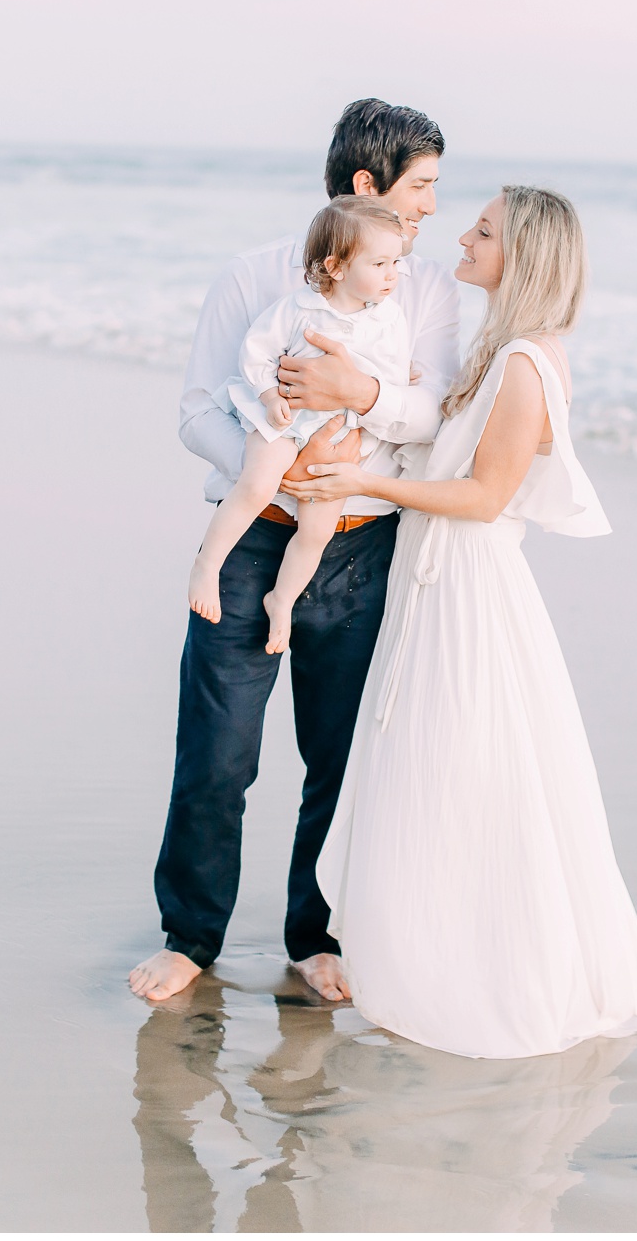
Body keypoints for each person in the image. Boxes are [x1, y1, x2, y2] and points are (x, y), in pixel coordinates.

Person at [283, 185, 637, 1058]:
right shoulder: (497, 348)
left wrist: (361, 485)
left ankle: (479, 968)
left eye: (483, 231)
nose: (462, 235)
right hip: (432, 576)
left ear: (521, 254)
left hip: (469, 589)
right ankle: (420, 945)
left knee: (468, 770)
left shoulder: (527, 361)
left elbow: (484, 498)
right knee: (430, 768)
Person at [129, 99, 460, 1005]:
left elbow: (433, 418)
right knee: (218, 752)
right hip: (256, 541)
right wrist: (281, 473)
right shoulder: (251, 278)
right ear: (368, 186)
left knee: (339, 755)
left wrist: (359, 391)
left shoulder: (425, 291)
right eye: (423, 186)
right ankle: (190, 935)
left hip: (360, 548)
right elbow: (198, 409)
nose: (433, 206)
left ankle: (316, 938)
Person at [189, 197, 411, 654]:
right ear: (337, 266)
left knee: (317, 529)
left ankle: (282, 600)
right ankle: (208, 565)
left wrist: (394, 380)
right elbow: (256, 353)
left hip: (335, 435)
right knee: (255, 486)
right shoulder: (299, 309)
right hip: (285, 418)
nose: (394, 274)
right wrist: (270, 397)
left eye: (397, 262)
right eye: (381, 263)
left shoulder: (389, 318)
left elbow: (390, 378)